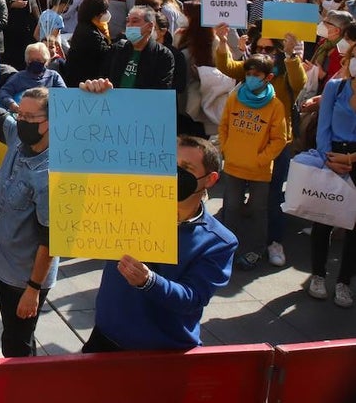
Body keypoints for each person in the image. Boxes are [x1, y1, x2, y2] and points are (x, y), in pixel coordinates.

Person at [84, 133, 237, 351]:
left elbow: (192, 298)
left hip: (160, 350)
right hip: (106, 337)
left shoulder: (219, 242)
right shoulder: (130, 206)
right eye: (170, 165)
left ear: (210, 179)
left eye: (186, 168)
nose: (174, 174)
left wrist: (148, 281)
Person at [0, 54, 56, 357]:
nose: (22, 121)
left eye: (31, 118)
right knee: (12, 334)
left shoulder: (49, 174)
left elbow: (50, 238)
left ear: (49, 124)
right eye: (21, 114)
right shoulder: (18, 137)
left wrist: (33, 288)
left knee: (18, 343)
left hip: (24, 276)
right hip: (5, 266)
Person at [216, 53, 288, 270]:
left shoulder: (275, 106)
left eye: (256, 75)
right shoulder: (235, 98)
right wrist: (227, 148)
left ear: (268, 78)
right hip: (233, 166)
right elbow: (224, 126)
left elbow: (279, 140)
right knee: (231, 208)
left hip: (259, 170)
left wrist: (260, 159)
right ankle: (226, 248)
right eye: (248, 74)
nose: (251, 78)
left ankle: (255, 250)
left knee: (258, 211)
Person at [307, 43, 356, 307]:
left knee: (354, 226)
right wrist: (329, 159)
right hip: (332, 157)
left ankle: (344, 281)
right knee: (323, 220)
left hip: (353, 158)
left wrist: (351, 159)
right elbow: (322, 128)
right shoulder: (335, 88)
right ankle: (318, 274)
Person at [104, 6, 175, 90]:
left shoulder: (162, 55)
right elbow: (103, 76)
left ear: (150, 26)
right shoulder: (117, 49)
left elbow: (162, 90)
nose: (129, 25)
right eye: (128, 21)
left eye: (135, 21)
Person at [61, 0, 111, 87]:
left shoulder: (86, 27)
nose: (106, 14)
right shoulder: (90, 33)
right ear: (97, 14)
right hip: (83, 83)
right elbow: (106, 53)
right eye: (104, 11)